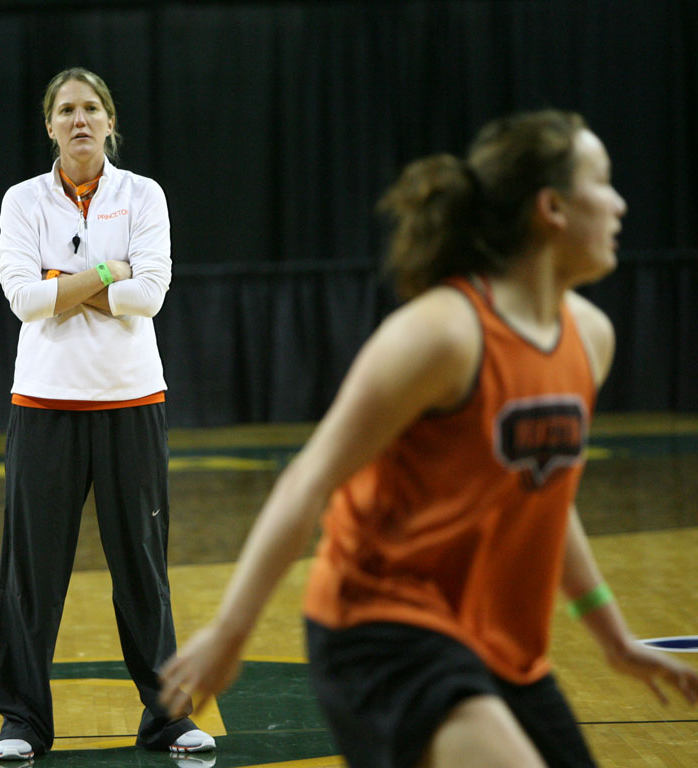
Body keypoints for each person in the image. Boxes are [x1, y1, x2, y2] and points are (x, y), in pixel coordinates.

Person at [159, 110, 698, 767]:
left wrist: (615, 640)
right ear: (551, 207)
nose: (620, 203)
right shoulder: (442, 334)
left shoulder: (590, 336)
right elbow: (308, 480)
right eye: (604, 182)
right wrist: (230, 630)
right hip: (381, 633)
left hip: (498, 641)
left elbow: (546, 499)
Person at [0, 68, 214, 761]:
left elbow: (151, 293)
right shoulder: (22, 201)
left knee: (143, 570)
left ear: (111, 121)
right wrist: (109, 272)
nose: (78, 119)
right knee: (32, 575)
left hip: (131, 402)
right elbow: (24, 300)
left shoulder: (142, 194)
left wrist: (65, 285)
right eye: (65, 109)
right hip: (44, 406)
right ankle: (22, 722)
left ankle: (169, 719)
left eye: (91, 108)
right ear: (48, 126)